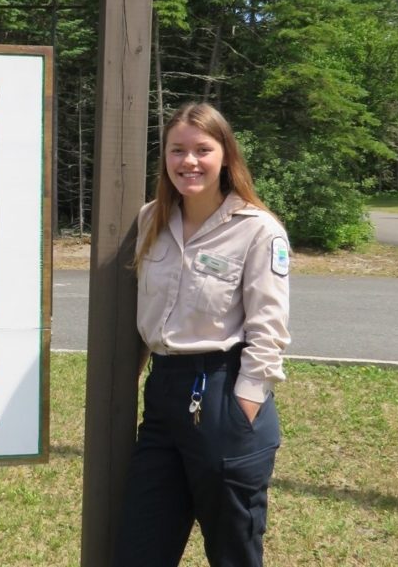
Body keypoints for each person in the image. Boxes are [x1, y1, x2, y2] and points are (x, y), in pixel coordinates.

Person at [113, 101, 291, 567]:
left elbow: (269, 327)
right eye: (177, 150)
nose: (188, 161)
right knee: (139, 546)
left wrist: (243, 406)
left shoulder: (257, 230)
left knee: (233, 552)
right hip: (164, 394)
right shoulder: (152, 218)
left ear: (225, 156)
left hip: (222, 394)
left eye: (201, 150)